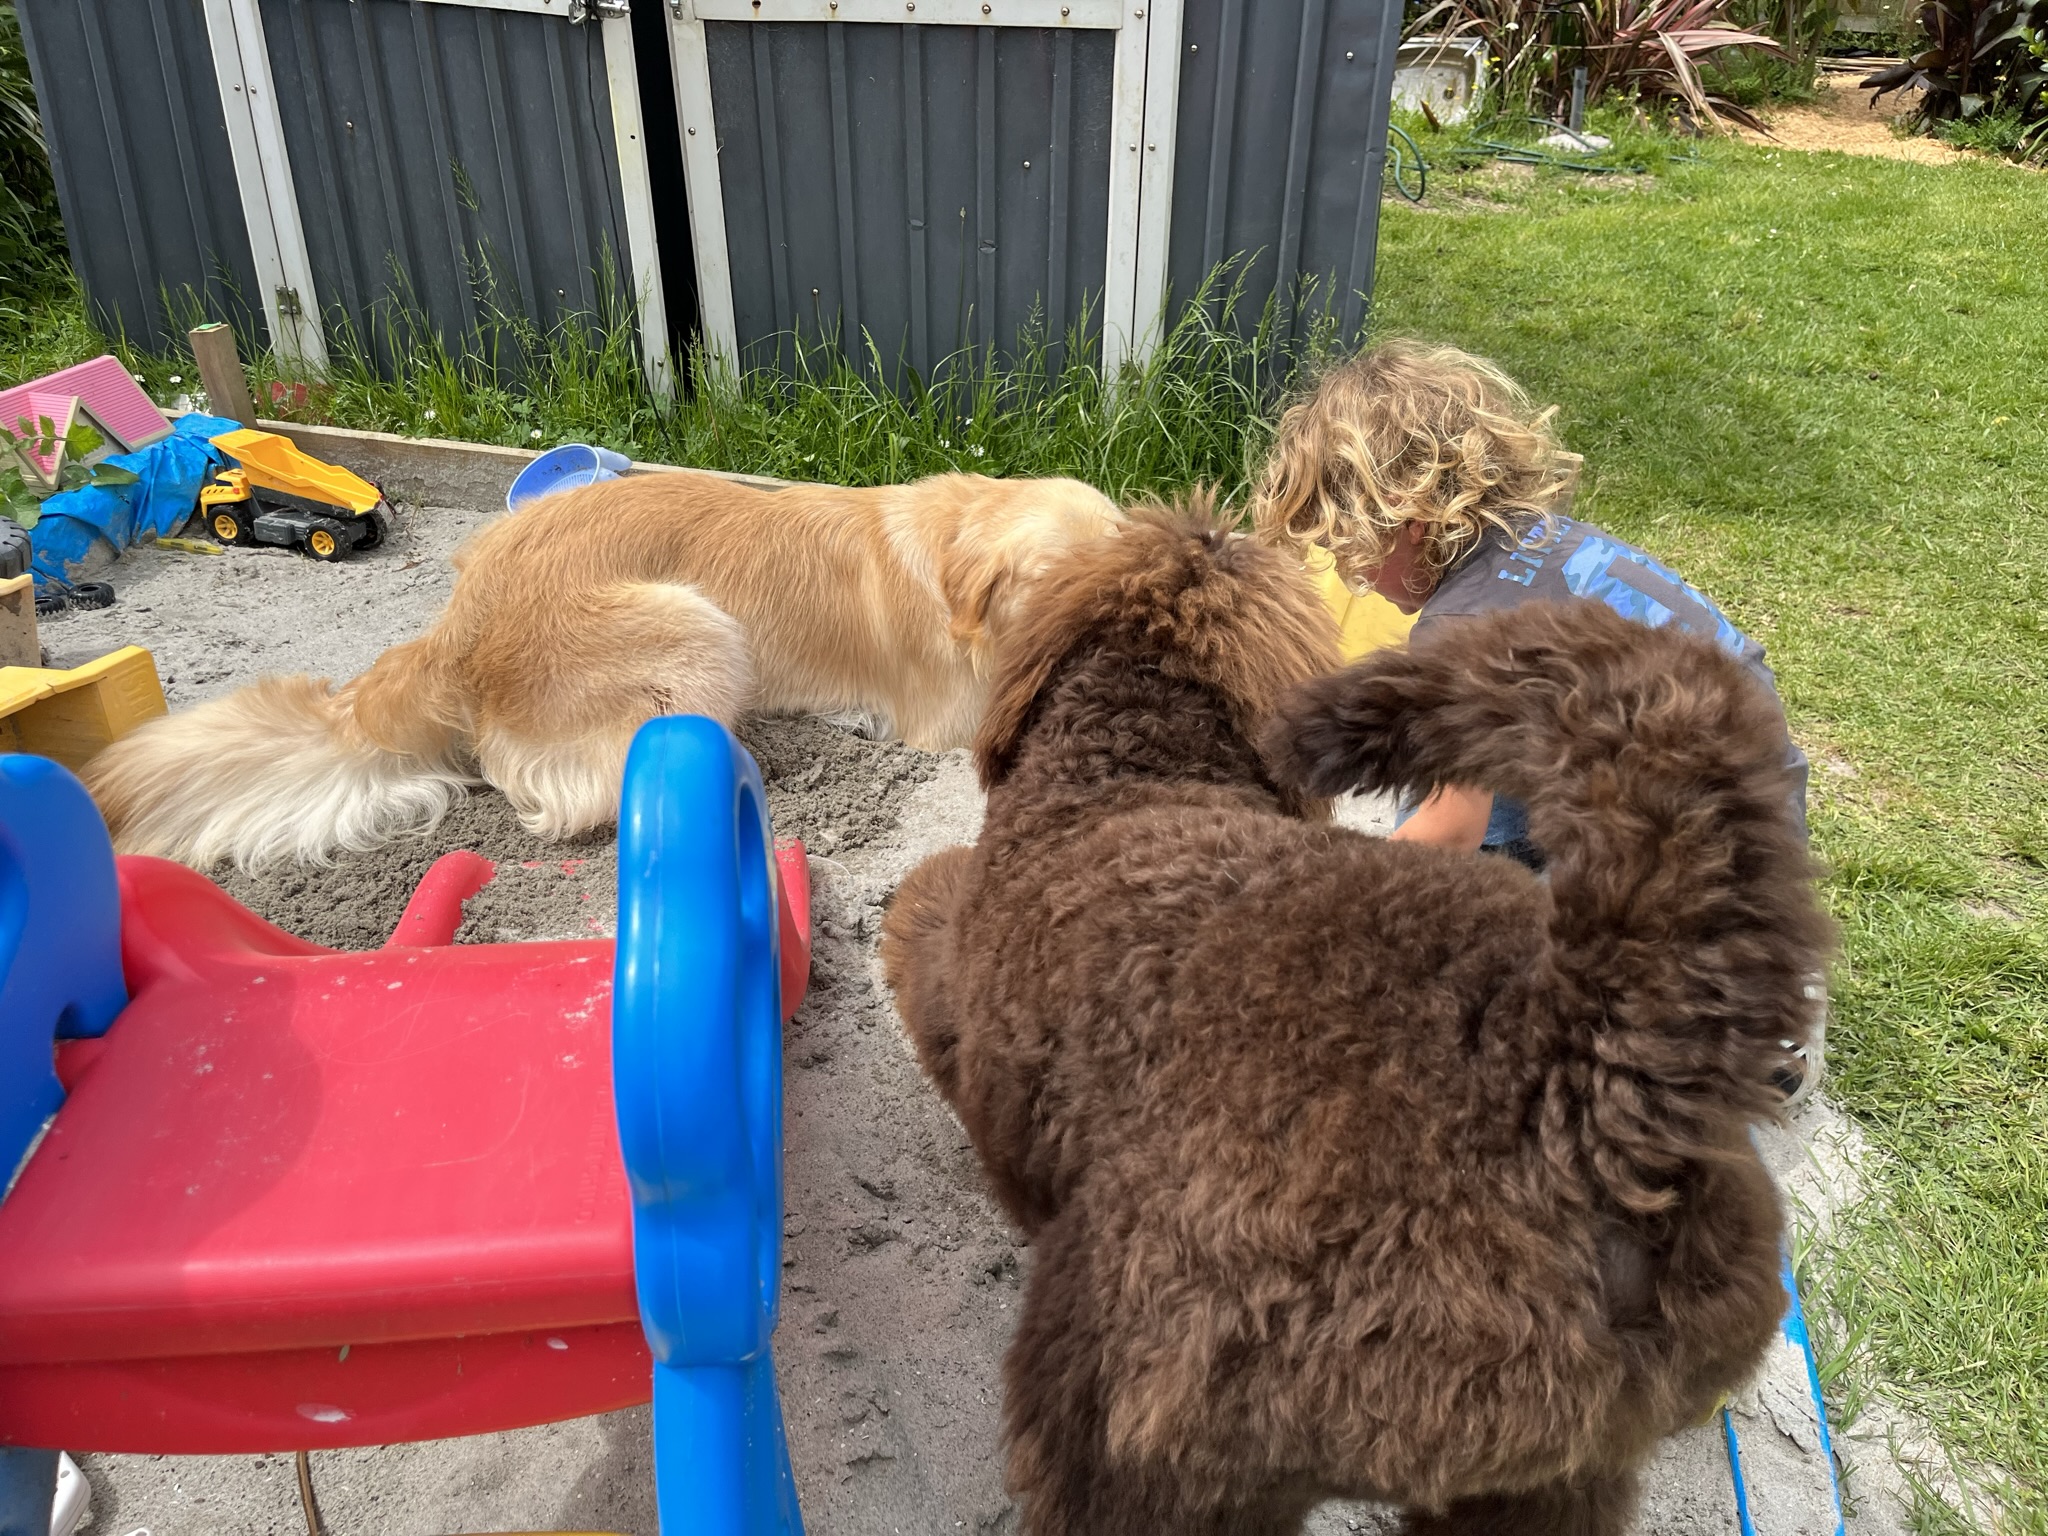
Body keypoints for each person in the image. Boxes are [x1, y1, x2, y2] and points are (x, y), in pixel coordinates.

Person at [1252, 339, 1820, 1098]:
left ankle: (1747, 1030)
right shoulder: (1536, 544)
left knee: (1546, 1038)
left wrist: (1310, 910)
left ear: (1407, 518)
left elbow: (1446, 831)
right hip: (1753, 779)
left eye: (1352, 552)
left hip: (1696, 843)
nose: (1356, 578)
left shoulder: (1460, 624)